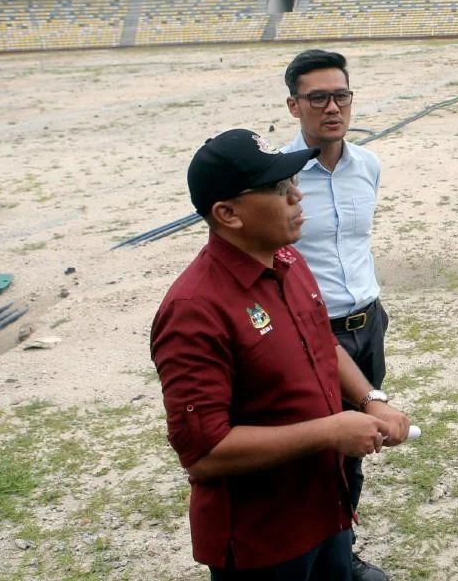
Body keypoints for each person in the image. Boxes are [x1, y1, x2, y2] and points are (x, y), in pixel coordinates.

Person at [151, 128, 411, 581]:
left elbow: (322, 343)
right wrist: (329, 431)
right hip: (264, 541)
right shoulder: (195, 311)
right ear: (227, 214)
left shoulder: (287, 260)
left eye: (291, 182)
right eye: (276, 188)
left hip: (326, 509)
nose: (296, 194)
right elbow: (204, 453)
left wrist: (370, 398)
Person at [279, 49, 391, 581]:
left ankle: (342, 550)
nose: (332, 107)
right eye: (317, 97)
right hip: (312, 333)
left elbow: (358, 244)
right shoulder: (277, 177)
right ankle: (321, 556)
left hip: (368, 323)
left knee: (359, 443)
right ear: (293, 105)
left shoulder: (367, 165)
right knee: (320, 448)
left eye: (340, 95)